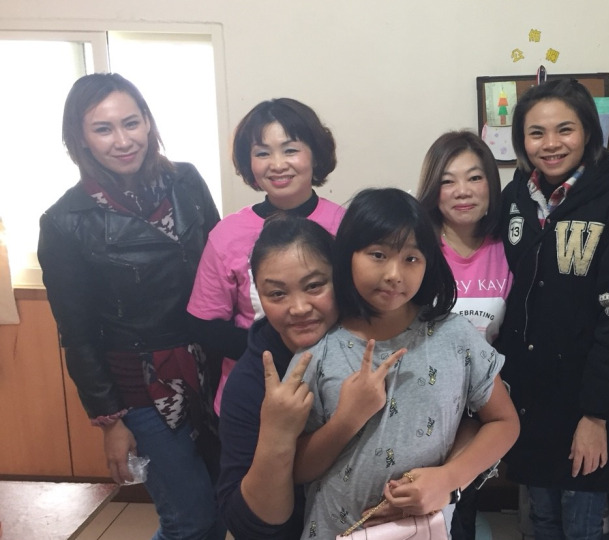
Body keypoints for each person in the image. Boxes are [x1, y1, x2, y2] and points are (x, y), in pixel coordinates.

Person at [38, 73, 224, 539]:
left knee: (221, 507)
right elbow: (77, 334)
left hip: (213, 368)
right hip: (141, 384)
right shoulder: (65, 221)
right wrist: (111, 422)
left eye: (131, 122)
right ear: (80, 138)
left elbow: (220, 265)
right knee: (190, 519)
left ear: (148, 122)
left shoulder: (186, 181)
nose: (123, 141)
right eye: (103, 129)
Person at [291, 188, 520, 539]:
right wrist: (346, 419)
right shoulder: (319, 349)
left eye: (411, 258)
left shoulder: (454, 336)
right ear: (348, 254)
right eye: (378, 255)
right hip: (334, 530)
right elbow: (297, 469)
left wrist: (449, 479)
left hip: (423, 530)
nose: (394, 274)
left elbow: (504, 422)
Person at [495, 78, 609, 540]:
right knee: (541, 520)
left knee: (582, 524)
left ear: (587, 133)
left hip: (586, 405)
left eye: (565, 129)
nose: (550, 144)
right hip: (529, 400)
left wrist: (597, 416)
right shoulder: (517, 197)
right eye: (536, 133)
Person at [187, 98, 344, 414]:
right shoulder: (227, 234)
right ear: (249, 163)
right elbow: (205, 326)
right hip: (251, 396)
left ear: (315, 153)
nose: (277, 164)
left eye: (290, 150)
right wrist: (275, 351)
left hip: (335, 391)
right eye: (262, 153)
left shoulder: (345, 225)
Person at [216, 215, 341, 539]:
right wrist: (277, 434)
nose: (299, 308)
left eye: (314, 286)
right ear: (258, 295)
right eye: (277, 294)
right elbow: (246, 525)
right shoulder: (249, 383)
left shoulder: (376, 341)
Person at [416, 130, 513, 539]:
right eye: (448, 180)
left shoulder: (510, 248)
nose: (463, 191)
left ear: (491, 184)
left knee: (462, 507)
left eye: (474, 177)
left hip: (483, 404)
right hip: (424, 402)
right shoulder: (417, 249)